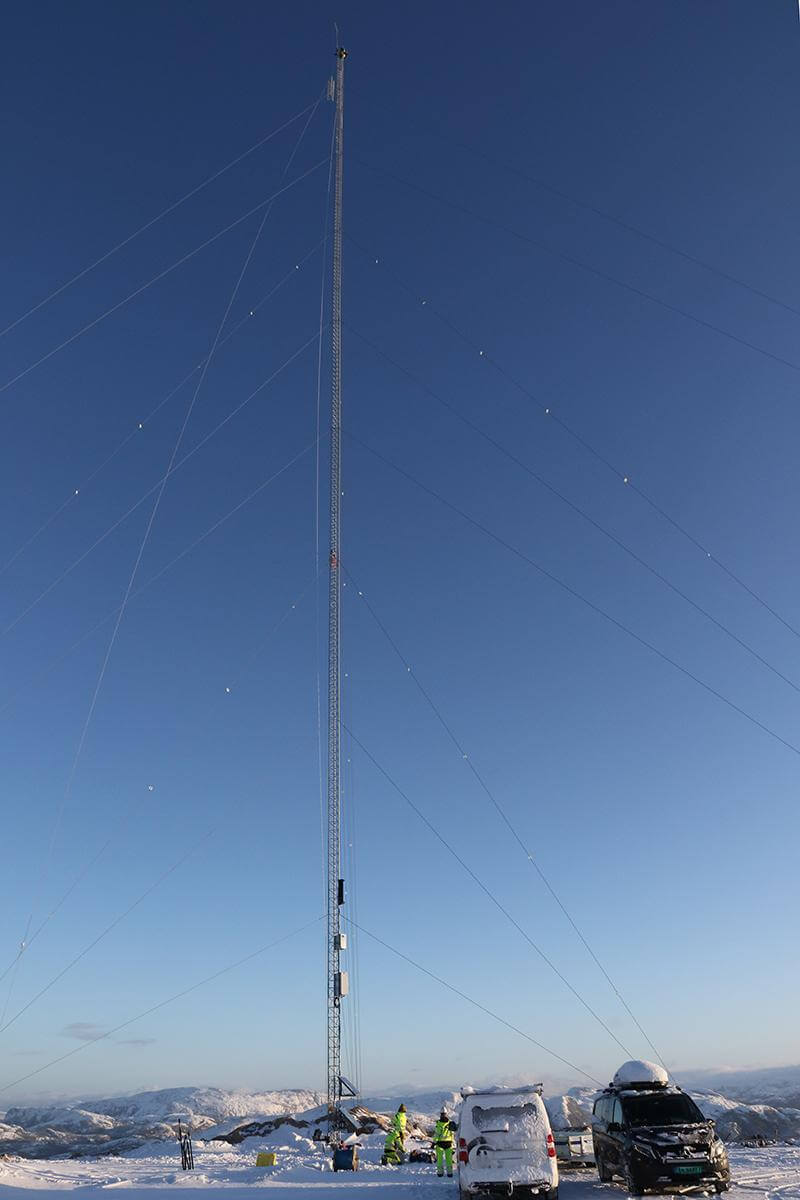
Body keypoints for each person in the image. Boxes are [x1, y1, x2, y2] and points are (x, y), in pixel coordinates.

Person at [432, 1109, 455, 1178]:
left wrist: (434, 1143)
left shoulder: (439, 1124)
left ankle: (440, 1173)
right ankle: (450, 1173)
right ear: (446, 1114)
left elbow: (437, 1134)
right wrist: (453, 1143)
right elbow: (452, 1134)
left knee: (440, 1159)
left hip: (440, 1143)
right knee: (449, 1159)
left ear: (441, 1114)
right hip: (449, 1143)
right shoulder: (450, 1123)